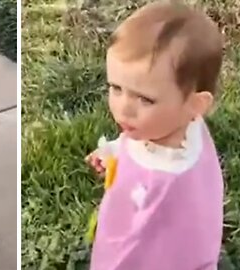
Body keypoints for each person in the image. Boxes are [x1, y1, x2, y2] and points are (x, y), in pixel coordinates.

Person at [85, 1, 224, 269]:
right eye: (115, 87)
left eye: (145, 100)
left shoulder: (167, 182)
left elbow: (136, 248)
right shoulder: (183, 125)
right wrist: (114, 152)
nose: (123, 108)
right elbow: (134, 146)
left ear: (194, 105)